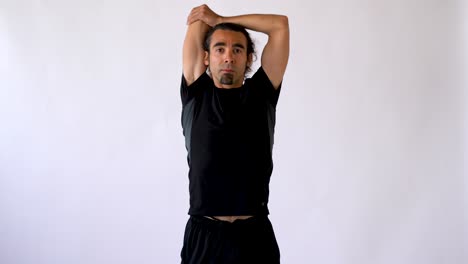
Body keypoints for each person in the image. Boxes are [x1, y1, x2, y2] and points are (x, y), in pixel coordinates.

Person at [180, 4, 289, 263]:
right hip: (205, 234)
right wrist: (211, 19)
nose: (228, 56)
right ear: (206, 57)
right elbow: (199, 15)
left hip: (254, 235)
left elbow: (280, 26)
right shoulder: (197, 92)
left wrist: (221, 19)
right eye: (220, 49)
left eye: (237, 49)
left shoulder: (262, 93)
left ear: (249, 58)